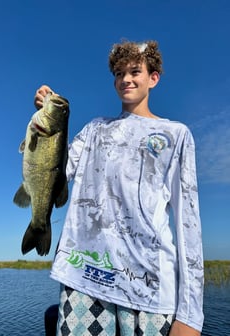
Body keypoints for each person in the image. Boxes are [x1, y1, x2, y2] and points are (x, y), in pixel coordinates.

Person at [35, 40, 204, 336]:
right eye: (118, 73)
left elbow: (188, 224)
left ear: (153, 78)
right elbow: (57, 173)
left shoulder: (175, 135)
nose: (125, 78)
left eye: (135, 71)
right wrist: (44, 126)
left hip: (149, 289)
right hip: (83, 279)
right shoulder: (94, 130)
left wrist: (191, 314)